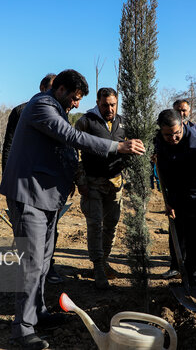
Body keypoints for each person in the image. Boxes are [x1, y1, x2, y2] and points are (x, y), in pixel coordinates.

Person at [0, 69, 145, 350]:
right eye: (75, 98)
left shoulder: (57, 108)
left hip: (47, 198)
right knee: (31, 263)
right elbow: (70, 137)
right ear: (61, 89)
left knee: (42, 262)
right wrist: (118, 146)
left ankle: (38, 314)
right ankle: (22, 329)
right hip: (29, 195)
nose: (77, 104)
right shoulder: (41, 105)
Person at [1, 73, 64, 284]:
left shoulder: (60, 111)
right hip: (24, 182)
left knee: (49, 231)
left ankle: (49, 267)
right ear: (42, 87)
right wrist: (9, 179)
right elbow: (9, 146)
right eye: (52, 89)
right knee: (27, 234)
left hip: (48, 184)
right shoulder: (21, 111)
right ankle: (27, 274)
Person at [74, 87, 127, 289]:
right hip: (92, 183)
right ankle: (97, 266)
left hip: (115, 183)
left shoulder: (122, 122)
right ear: (97, 102)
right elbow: (73, 151)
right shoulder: (86, 121)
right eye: (105, 105)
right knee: (95, 224)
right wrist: (80, 181)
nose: (110, 109)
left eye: (113, 104)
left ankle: (104, 260)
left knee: (111, 224)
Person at [155, 109, 196, 289]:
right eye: (168, 135)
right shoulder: (159, 139)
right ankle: (177, 266)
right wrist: (170, 201)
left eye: (176, 134)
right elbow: (165, 170)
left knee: (193, 234)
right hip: (174, 186)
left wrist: (190, 205)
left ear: (183, 125)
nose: (173, 138)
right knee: (176, 227)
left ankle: (195, 278)